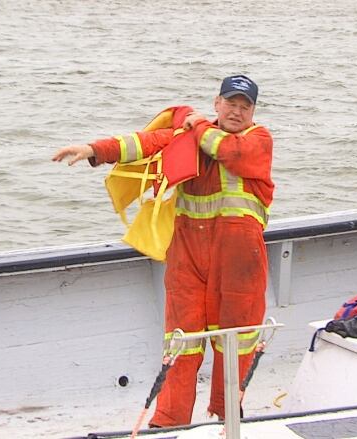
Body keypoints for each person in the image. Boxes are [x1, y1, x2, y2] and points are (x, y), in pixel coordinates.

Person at [52, 75, 274, 427]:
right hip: (189, 256)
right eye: (230, 103)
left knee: (237, 338)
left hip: (238, 261)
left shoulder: (257, 139)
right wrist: (95, 150)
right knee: (181, 340)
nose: (236, 111)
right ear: (217, 104)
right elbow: (145, 143)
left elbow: (228, 151)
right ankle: (169, 421)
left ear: (253, 112)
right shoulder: (189, 133)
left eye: (244, 107)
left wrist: (198, 123)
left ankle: (227, 411)